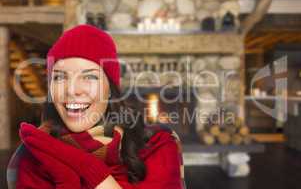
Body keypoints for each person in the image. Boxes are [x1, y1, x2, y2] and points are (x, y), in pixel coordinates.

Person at [7, 24, 185, 189]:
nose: (72, 90)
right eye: (60, 77)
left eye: (89, 77)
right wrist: (68, 180)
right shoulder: (33, 155)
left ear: (110, 89)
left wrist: (86, 166)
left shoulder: (158, 143)